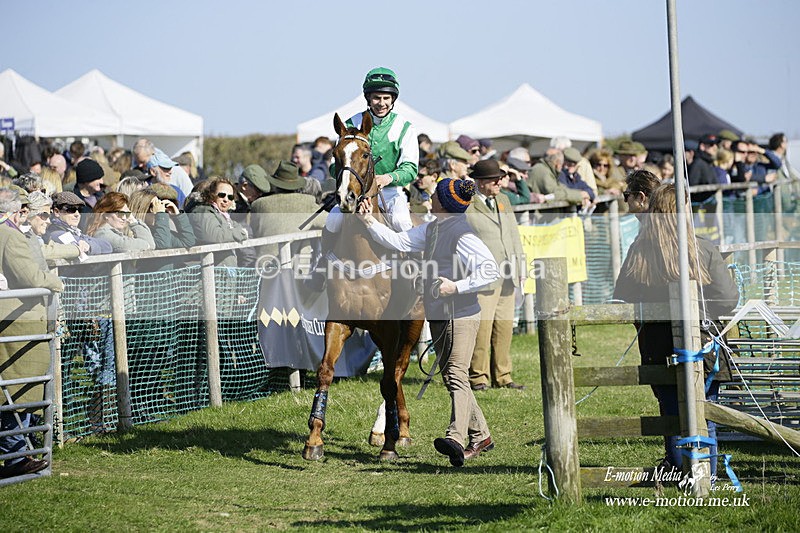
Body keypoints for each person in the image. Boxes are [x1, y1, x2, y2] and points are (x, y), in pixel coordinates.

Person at [356, 178, 499, 467]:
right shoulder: (434, 228)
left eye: (436, 194)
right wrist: (369, 221)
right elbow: (400, 241)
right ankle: (481, 436)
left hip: (461, 313)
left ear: (444, 204)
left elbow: (491, 270)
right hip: (439, 313)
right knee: (452, 378)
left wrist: (457, 287)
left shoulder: (462, 234)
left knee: (457, 376)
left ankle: (455, 439)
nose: (431, 196)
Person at [613, 183, 739, 477]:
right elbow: (728, 299)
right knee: (706, 410)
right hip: (703, 345)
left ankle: (678, 468)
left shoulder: (639, 251)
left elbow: (624, 294)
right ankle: (703, 472)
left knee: (670, 408)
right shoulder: (702, 247)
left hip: (658, 347)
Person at [0, 187, 64, 479]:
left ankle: (21, 453)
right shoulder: (10, 235)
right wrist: (55, 282)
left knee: (18, 389)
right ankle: (16, 456)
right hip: (17, 321)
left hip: (17, 321)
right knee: (17, 390)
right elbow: (30, 276)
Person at [465, 160, 527, 391]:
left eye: (500, 178)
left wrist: (521, 268)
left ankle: (504, 376)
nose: (500, 182)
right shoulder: (467, 204)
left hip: (508, 274)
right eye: (494, 179)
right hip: (483, 276)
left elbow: (514, 234)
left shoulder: (504, 200)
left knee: (504, 327)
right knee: (482, 328)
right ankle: (478, 377)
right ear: (480, 183)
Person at [250, 161, 326, 264]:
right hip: (294, 272)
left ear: (274, 182)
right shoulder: (307, 202)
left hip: (263, 268)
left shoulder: (257, 204)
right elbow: (330, 221)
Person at [189, 177, 248, 267]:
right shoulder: (203, 211)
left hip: (224, 274)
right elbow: (215, 235)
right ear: (212, 195)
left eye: (230, 197)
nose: (226, 199)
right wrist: (241, 233)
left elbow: (237, 227)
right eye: (222, 195)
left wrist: (239, 231)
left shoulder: (223, 215)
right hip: (208, 276)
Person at [86, 192, 155, 254]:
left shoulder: (114, 233)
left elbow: (151, 245)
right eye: (120, 214)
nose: (124, 218)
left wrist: (133, 221)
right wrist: (146, 245)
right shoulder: (102, 234)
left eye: (127, 214)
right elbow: (126, 245)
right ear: (106, 214)